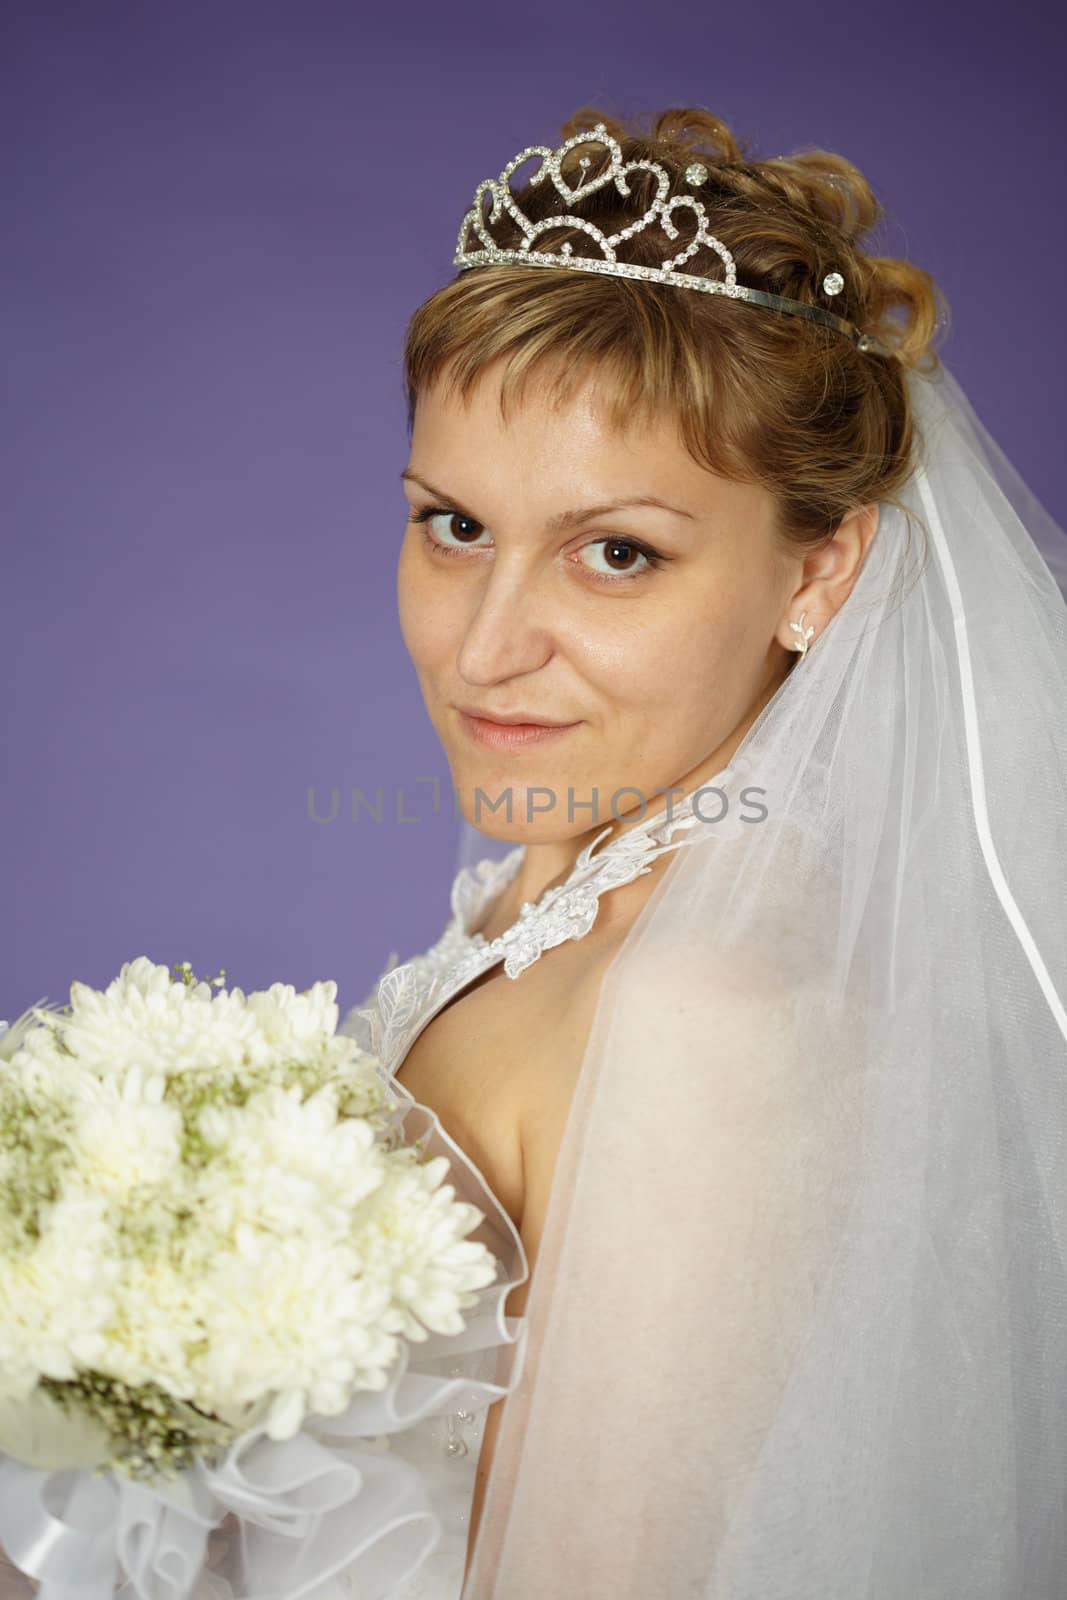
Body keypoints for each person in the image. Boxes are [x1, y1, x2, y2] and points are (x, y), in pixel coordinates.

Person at [344, 106, 1067, 1598]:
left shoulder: (710, 1006)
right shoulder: (566, 904)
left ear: (820, 571)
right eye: (455, 525)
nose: (487, 648)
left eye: (618, 552)